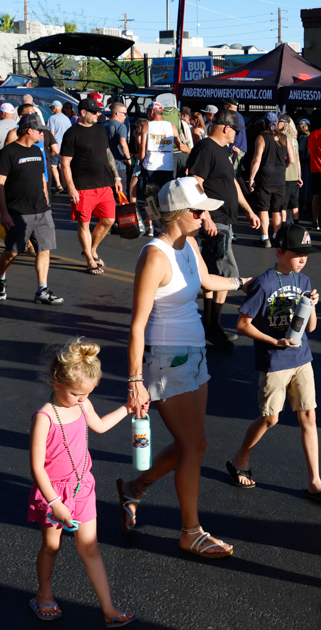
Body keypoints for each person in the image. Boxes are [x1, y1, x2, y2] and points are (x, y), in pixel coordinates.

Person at [118, 178, 251, 558]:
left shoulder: (189, 244)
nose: (205, 216)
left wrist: (244, 282)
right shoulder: (155, 256)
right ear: (177, 213)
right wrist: (135, 381)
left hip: (195, 354)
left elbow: (205, 281)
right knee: (194, 445)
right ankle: (190, 532)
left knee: (190, 443)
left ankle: (134, 488)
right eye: (198, 211)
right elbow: (137, 325)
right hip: (166, 359)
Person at [226, 223, 321, 506]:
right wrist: (273, 341)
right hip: (275, 360)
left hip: (302, 358)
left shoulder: (305, 281)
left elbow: (310, 328)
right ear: (279, 252)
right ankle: (240, 457)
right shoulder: (264, 283)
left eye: (306, 254)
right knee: (270, 418)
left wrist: (312, 305)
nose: (303, 258)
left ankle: (315, 482)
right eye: (297, 253)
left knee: (309, 416)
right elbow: (242, 324)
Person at [27, 339, 136, 626]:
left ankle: (108, 609)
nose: (82, 399)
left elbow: (99, 426)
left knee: (90, 547)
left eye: (87, 394)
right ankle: (43, 593)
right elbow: (37, 467)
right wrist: (55, 503)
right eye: (77, 393)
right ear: (56, 383)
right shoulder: (44, 418)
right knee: (51, 546)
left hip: (81, 488)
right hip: (53, 492)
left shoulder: (83, 403)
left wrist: (127, 409)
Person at [185, 110, 261, 351]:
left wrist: (249, 210)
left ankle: (210, 325)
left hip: (223, 220)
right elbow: (194, 182)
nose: (237, 134)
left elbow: (232, 184)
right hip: (214, 220)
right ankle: (213, 327)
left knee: (212, 274)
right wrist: (204, 214)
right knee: (228, 274)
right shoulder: (206, 148)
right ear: (226, 128)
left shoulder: (223, 151)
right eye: (236, 130)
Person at [0, 114, 63, 305]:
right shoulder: (8, 152)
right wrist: (3, 213)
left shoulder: (38, 151)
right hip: (18, 212)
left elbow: (41, 177)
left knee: (44, 249)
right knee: (13, 251)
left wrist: (46, 200)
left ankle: (42, 290)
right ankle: (0, 277)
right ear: (29, 131)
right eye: (40, 131)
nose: (42, 134)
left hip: (42, 210)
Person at [60, 97, 123, 275]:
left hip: (104, 184)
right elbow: (65, 163)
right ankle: (89, 259)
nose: (98, 115)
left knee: (109, 220)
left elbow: (107, 153)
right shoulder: (72, 133)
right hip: (83, 186)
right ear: (83, 113)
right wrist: (71, 187)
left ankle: (92, 249)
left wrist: (117, 177)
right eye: (94, 112)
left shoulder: (101, 130)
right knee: (84, 223)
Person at [247, 113, 291, 247]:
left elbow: (256, 160)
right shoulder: (285, 138)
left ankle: (265, 238)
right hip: (280, 179)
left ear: (264, 123)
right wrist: (282, 167)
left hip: (265, 178)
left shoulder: (262, 137)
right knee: (277, 210)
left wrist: (251, 178)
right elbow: (292, 160)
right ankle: (276, 237)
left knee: (264, 209)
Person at [103, 102, 131, 190]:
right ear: (118, 114)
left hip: (104, 164)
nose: (126, 116)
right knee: (121, 192)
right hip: (119, 164)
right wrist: (128, 158)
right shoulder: (121, 126)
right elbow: (123, 143)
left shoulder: (103, 124)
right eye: (125, 114)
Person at [282, 116, 302, 224]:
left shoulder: (283, 137)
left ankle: (282, 225)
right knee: (294, 204)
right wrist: (299, 175)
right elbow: (297, 159)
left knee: (283, 204)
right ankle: (296, 224)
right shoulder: (294, 139)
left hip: (285, 174)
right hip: (294, 175)